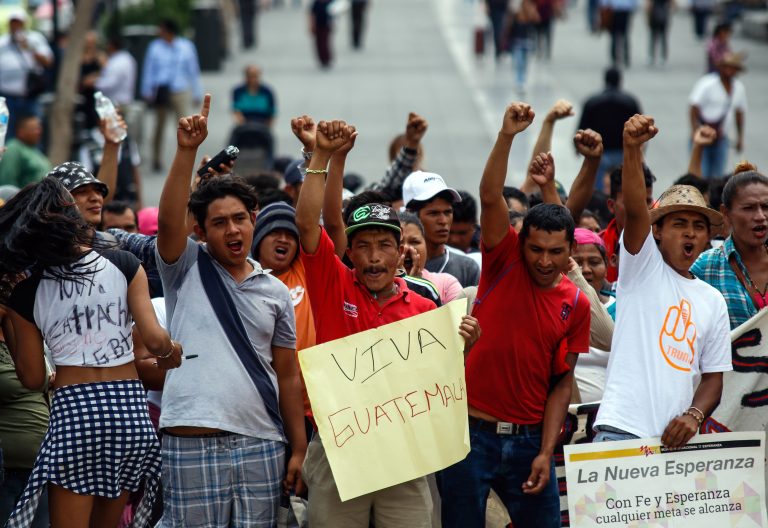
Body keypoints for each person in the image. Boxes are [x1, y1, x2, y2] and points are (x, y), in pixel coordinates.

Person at [295, 118, 480, 528]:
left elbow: (440, 384)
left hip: (404, 454)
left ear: (402, 253)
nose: (374, 257)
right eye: (363, 246)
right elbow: (308, 223)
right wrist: (321, 156)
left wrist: (462, 344)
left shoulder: (424, 306)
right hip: (340, 450)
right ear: (349, 253)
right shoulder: (333, 287)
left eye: (384, 246)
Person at [154, 95, 307, 526]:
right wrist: (186, 151)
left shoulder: (276, 292)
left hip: (261, 443)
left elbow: (288, 374)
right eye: (219, 222)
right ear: (201, 231)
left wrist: (298, 449)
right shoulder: (184, 267)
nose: (232, 229)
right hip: (189, 442)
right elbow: (168, 224)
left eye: (240, 218)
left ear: (254, 218)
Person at [439, 103, 591, 528]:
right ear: (519, 243)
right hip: (470, 438)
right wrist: (507, 136)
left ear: (570, 252)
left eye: (555, 252)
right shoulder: (502, 260)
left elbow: (562, 384)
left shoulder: (576, 305)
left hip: (528, 445)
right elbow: (490, 196)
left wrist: (546, 451)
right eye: (536, 249)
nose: (544, 260)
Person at [0, 175, 181, 528]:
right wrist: (172, 351)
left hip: (74, 414)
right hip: (128, 412)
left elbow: (34, 379)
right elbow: (156, 341)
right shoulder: (124, 264)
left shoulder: (27, 291)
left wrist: (10, 320)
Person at [594, 114, 731, 446]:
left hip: (674, 444)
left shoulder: (712, 300)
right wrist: (631, 149)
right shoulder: (642, 266)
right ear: (657, 231)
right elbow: (637, 209)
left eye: (699, 227)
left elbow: (713, 379)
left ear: (706, 237)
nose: (690, 232)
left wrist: (693, 416)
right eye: (679, 223)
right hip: (620, 431)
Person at [692, 162, 768, 329]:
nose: (760, 216)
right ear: (726, 213)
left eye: (765, 207)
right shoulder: (704, 268)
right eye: (749, 208)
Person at [0, 293, 50, 528]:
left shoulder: (23, 335)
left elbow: (37, 378)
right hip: (9, 470)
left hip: (41, 466)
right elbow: (32, 379)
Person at [141, 19, 203, 172]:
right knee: (159, 126)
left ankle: (185, 158)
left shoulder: (186, 47)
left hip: (179, 90)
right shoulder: (155, 47)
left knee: (185, 126)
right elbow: (149, 69)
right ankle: (156, 158)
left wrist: (197, 92)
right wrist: (146, 90)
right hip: (161, 90)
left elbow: (193, 70)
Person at [403, 171, 480, 287]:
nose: (443, 221)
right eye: (433, 213)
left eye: (448, 212)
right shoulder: (393, 265)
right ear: (411, 214)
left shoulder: (467, 268)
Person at [578, 68, 642, 190]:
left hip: (600, 153)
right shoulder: (630, 101)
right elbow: (639, 126)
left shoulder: (592, 102)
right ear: (620, 80)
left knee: (599, 191)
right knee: (623, 190)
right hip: (622, 152)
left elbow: (582, 127)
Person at [689, 52, 747, 179]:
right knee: (700, 175)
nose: (730, 71)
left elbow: (739, 114)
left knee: (718, 176)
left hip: (721, 138)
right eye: (727, 67)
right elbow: (694, 107)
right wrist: (694, 131)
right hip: (703, 134)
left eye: (733, 68)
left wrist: (740, 138)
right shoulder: (707, 83)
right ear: (721, 67)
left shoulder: (739, 88)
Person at [0, 10, 53, 140]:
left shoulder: (35, 39)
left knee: (33, 133)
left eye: (19, 23)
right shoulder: (2, 42)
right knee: (7, 134)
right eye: (13, 23)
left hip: (31, 97)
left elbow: (48, 62)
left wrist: (29, 48)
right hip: (8, 97)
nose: (16, 26)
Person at [601, 163, 655, 282]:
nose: (640, 210)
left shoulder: (664, 245)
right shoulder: (598, 245)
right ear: (611, 205)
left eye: (647, 201)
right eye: (631, 203)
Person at [401, 212, 464, 304]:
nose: (406, 248)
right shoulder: (378, 286)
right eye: (399, 243)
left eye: (414, 242)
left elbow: (458, 317)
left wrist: (419, 286)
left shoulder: (446, 283)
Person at [0, 116, 50, 187]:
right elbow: (7, 180)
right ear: (21, 132)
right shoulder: (13, 148)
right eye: (34, 129)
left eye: (39, 128)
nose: (39, 132)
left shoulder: (35, 150)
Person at [95, 36, 138, 109]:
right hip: (122, 101)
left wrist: (94, 82)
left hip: (117, 103)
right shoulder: (127, 58)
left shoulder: (118, 62)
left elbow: (110, 83)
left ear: (111, 46)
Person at [508, 0, 540, 94]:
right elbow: (510, 29)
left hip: (527, 43)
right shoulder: (516, 15)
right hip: (517, 43)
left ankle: (522, 80)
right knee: (519, 63)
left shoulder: (531, 16)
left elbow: (537, 25)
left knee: (524, 64)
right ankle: (519, 81)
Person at [601, 0, 638, 67]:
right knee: (621, 35)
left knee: (617, 35)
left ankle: (618, 57)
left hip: (619, 9)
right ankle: (621, 57)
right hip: (619, 9)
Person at [310, 0, 334, 69]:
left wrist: (333, 24)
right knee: (319, 43)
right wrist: (312, 25)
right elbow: (312, 14)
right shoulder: (316, 3)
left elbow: (334, 13)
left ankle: (327, 59)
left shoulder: (330, 2)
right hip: (318, 26)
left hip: (326, 26)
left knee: (325, 43)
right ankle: (321, 59)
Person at [647, 0, 671, 65]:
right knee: (663, 38)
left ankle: (652, 56)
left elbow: (649, 5)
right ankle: (663, 56)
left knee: (653, 38)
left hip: (654, 16)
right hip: (663, 16)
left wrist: (647, 18)